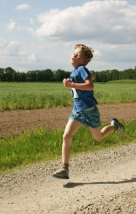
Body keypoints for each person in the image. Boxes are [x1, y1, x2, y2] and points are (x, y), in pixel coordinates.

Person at [52, 44, 125, 179]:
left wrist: (71, 84)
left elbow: (90, 85)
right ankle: (64, 169)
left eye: (77, 54)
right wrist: (73, 80)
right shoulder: (75, 71)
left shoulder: (81, 69)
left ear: (84, 60)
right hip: (78, 112)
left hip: (90, 111)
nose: (73, 55)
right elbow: (89, 78)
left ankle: (115, 126)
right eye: (73, 53)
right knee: (66, 136)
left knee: (98, 137)